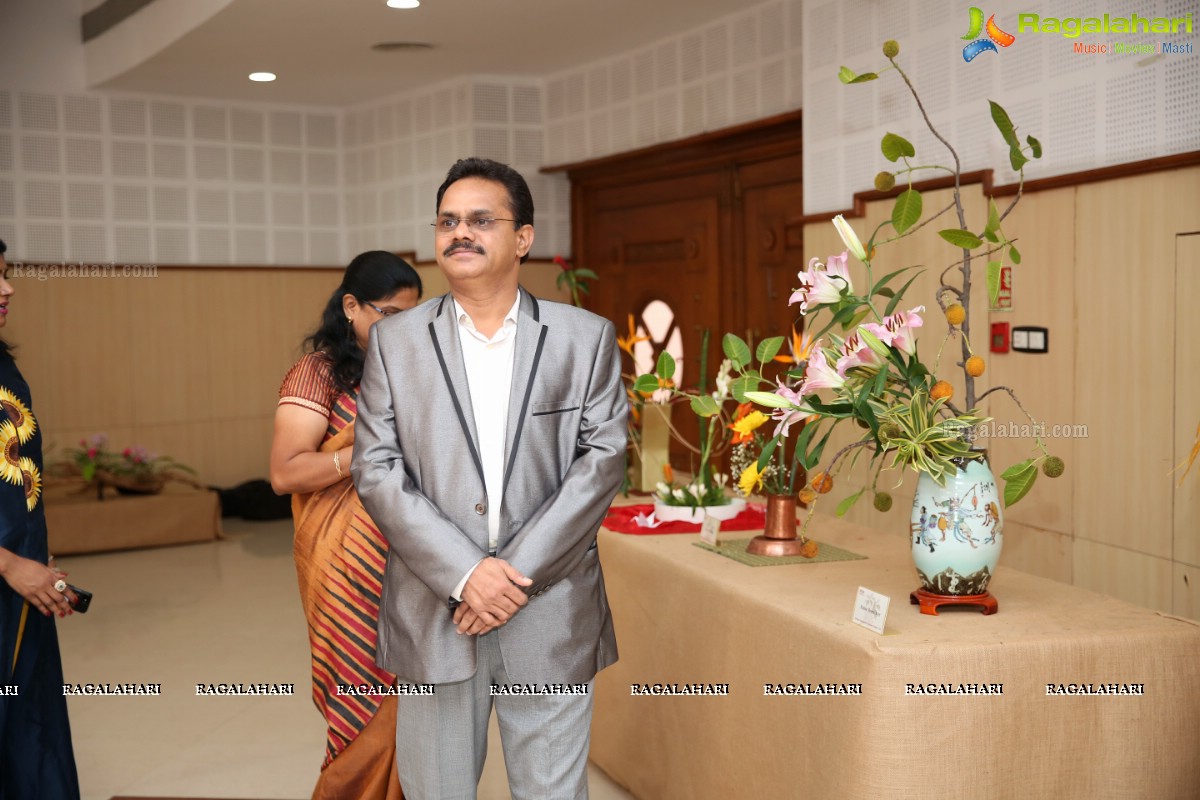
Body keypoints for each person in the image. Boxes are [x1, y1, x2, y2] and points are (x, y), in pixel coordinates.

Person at [353, 158, 627, 798]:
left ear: (523, 238)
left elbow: (602, 459)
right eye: (447, 221)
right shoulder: (395, 342)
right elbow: (377, 467)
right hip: (436, 610)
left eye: (481, 220)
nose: (459, 233)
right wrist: (466, 573)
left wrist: (512, 577)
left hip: (552, 609)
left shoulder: (582, 339)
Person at [270, 250, 423, 800]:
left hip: (415, 560)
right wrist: (364, 452)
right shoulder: (317, 374)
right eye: (387, 313)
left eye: (410, 314)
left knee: (424, 713)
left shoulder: (416, 367)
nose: (399, 327)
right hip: (345, 569)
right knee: (360, 706)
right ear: (351, 307)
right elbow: (286, 473)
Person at [0, 238, 82, 800]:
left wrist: (32, 557)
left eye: (6, 274)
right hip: (9, 575)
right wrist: (8, 563)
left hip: (19, 587)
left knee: (30, 729)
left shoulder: (3, 363)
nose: (8, 289)